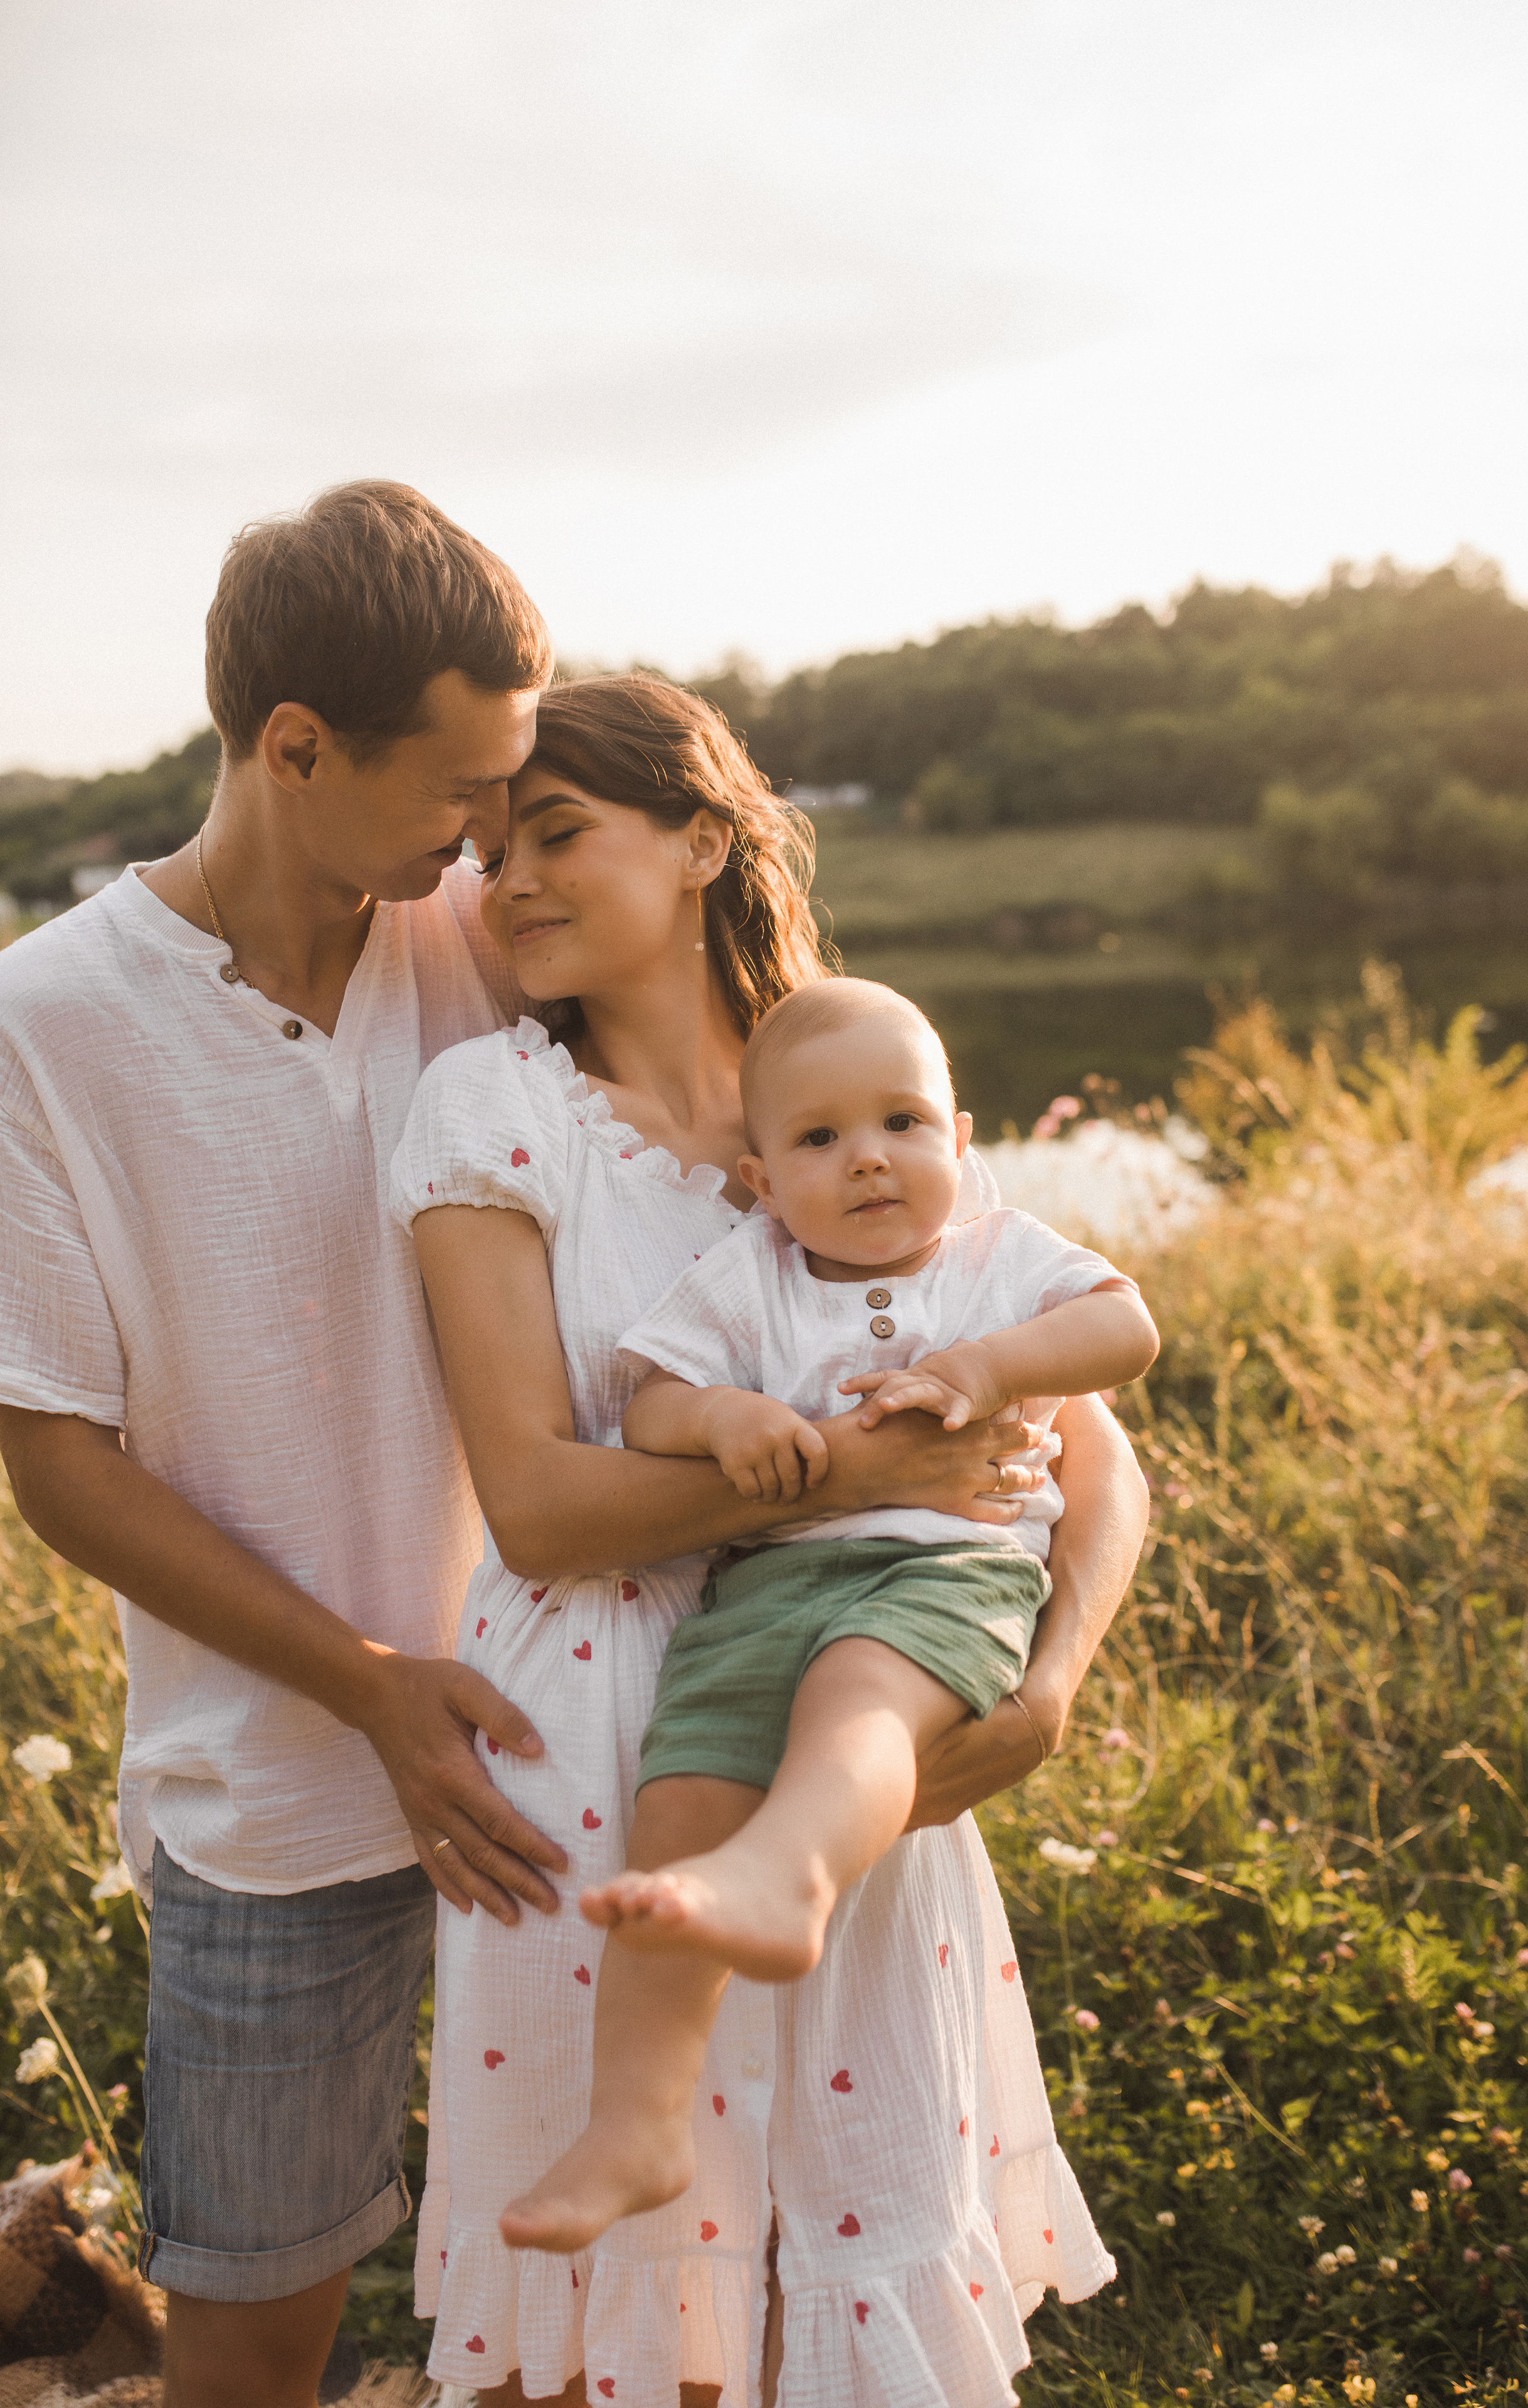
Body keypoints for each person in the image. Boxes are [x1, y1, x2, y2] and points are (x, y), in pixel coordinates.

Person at [391, 673, 1152, 2407]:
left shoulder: (855, 1087)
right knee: (614, 2329)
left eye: (557, 835)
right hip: (600, 1745)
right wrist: (868, 1489)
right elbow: (540, 1504)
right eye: (487, 852)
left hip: (860, 1735)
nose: (504, 886)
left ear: (707, 840)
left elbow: (1087, 1444)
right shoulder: (490, 1114)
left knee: (839, 2261)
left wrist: (1047, 1687)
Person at [0, 482, 564, 2408]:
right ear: (296, 747)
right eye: (460, 787)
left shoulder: (491, 936)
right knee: (251, 2341)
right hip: (274, 1792)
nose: (487, 831)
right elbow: (61, 1462)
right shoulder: (47, 1025)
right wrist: (372, 1689)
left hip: (572, 1741)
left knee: (587, 2289)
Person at [496, 978, 1159, 2254]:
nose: (868, 1158)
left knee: (858, 1699)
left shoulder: (1001, 1256)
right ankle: (635, 2120)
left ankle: (788, 1874)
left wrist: (990, 1365)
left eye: (903, 1122)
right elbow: (653, 1404)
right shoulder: (750, 1276)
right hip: (763, 1586)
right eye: (818, 1140)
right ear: (759, 1174)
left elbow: (1123, 1329)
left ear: (959, 1142)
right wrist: (729, 1419)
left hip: (945, 1575)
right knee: (675, 1800)